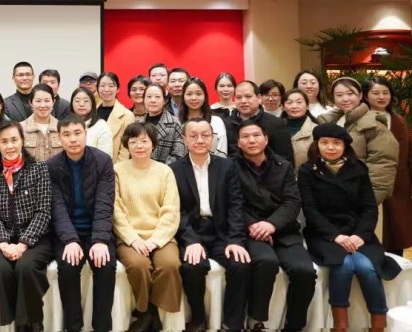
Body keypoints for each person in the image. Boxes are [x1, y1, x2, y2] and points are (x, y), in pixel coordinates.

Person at [298, 123, 401, 332]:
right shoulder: (308, 170)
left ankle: (378, 325)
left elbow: (369, 207)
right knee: (343, 265)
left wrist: (360, 235)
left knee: (366, 268)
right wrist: (335, 236)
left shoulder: (358, 169)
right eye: (325, 142)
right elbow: (310, 210)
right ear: (317, 144)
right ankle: (340, 326)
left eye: (336, 143)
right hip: (324, 234)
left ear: (345, 146)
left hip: (357, 233)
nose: (330, 147)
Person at [234, 120, 316, 331]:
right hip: (251, 231)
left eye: (256, 135)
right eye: (245, 137)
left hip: (283, 230)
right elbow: (232, 203)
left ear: (266, 139)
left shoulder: (283, 165)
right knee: (265, 262)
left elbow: (292, 201)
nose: (252, 140)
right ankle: (256, 320)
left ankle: (294, 325)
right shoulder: (230, 167)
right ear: (238, 143)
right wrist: (254, 225)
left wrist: (271, 224)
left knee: (304, 271)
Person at [171, 117, 251, 332]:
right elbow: (176, 210)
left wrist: (235, 240)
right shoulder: (174, 170)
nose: (200, 140)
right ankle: (198, 318)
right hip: (192, 232)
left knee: (241, 264)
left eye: (205, 135)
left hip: (221, 232)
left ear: (213, 138)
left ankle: (232, 323)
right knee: (192, 267)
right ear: (184, 139)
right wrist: (190, 241)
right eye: (193, 136)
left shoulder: (227, 166)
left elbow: (236, 205)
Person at [46, 114, 116, 332]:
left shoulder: (103, 161)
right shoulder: (51, 166)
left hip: (97, 230)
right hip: (67, 233)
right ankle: (73, 327)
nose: (73, 139)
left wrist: (100, 240)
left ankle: (102, 327)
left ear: (86, 134)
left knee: (105, 266)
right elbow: (56, 208)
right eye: (66, 134)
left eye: (77, 133)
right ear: (59, 137)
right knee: (67, 267)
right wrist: (70, 240)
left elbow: (105, 203)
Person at [112, 122, 182, 332]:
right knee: (139, 265)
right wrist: (133, 239)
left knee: (170, 264)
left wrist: (155, 240)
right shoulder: (117, 170)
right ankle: (145, 312)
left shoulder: (165, 171)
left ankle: (154, 309)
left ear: (153, 144)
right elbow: (116, 210)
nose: (139, 146)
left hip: (160, 235)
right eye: (134, 141)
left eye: (144, 141)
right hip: (129, 237)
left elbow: (171, 209)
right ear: (127, 144)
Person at [0, 119, 53, 331]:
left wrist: (23, 244)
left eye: (14, 140)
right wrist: (3, 243)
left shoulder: (39, 169)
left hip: (37, 238)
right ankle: (19, 320)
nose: (10, 146)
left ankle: (30, 323)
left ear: (22, 141)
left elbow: (43, 212)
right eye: (4, 141)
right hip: (5, 238)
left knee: (26, 266)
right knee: (0, 269)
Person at [317, 76, 399, 204]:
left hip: (359, 200)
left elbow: (382, 166)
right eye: (339, 95)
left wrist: (366, 203)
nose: (345, 99)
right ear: (334, 98)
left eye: (350, 94)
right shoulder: (326, 123)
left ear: (360, 95)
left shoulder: (373, 125)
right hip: (329, 198)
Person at [362, 77, 412, 255]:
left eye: (386, 92)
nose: (381, 97)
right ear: (365, 96)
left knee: (397, 233)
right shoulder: (361, 120)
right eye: (375, 93)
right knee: (374, 232)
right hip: (371, 183)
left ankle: (396, 269)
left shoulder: (399, 120)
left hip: (399, 184)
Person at [224, 81, 294, 165]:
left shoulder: (276, 123)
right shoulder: (226, 124)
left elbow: (285, 159)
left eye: (248, 96)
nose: (243, 101)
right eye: (238, 97)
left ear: (259, 98)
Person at [179, 77, 227, 157]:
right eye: (189, 94)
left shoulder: (216, 122)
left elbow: (222, 153)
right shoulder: (177, 122)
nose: (194, 98)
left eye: (198, 94)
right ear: (183, 97)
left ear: (205, 96)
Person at [142, 83, 187, 164]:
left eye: (157, 97)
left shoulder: (174, 123)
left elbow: (178, 155)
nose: (153, 100)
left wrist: (160, 169)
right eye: (149, 96)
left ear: (164, 101)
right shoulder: (139, 123)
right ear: (144, 100)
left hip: (166, 170)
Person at [96, 72, 135, 163]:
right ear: (97, 89)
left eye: (111, 85)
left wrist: (116, 169)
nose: (106, 89)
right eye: (102, 85)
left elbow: (125, 150)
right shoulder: (92, 112)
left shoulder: (127, 115)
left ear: (117, 89)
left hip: (114, 166)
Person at [21, 83, 63, 162]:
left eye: (47, 101)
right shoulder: (21, 128)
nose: (43, 105)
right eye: (38, 101)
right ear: (31, 103)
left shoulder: (61, 127)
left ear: (53, 102)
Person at [70, 86, 113, 157]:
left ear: (92, 104)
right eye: (77, 101)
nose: (81, 104)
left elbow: (105, 157)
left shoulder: (101, 126)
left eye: (86, 101)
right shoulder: (65, 125)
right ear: (72, 104)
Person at [282, 88, 318, 170]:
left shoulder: (317, 130)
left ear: (307, 106)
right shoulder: (276, 128)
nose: (294, 106)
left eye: (299, 102)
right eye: (289, 102)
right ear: (283, 107)